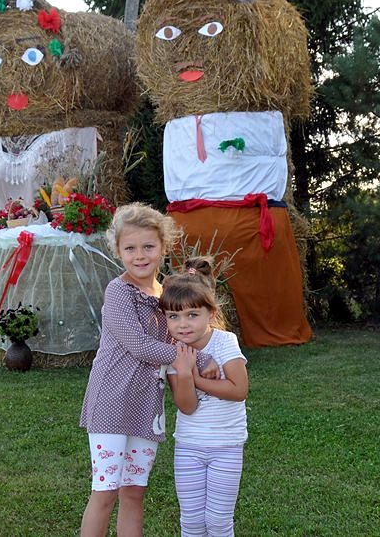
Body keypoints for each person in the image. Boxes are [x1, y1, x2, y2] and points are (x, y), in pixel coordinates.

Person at [79, 203, 219, 537]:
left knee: (134, 491)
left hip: (146, 408)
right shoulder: (118, 292)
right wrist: (198, 360)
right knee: (106, 490)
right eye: (130, 248)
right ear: (118, 251)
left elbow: (191, 330)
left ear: (163, 247)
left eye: (148, 247)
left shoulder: (166, 294)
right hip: (111, 403)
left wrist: (213, 352)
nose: (140, 255)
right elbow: (140, 346)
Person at [161, 257, 249, 537]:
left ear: (210, 313)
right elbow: (187, 407)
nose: (182, 325)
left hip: (227, 447)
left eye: (192, 315)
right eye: (174, 316)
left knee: (218, 522)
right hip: (189, 447)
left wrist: (195, 378)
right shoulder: (173, 352)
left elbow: (238, 390)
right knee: (193, 522)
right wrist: (184, 374)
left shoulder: (226, 342)